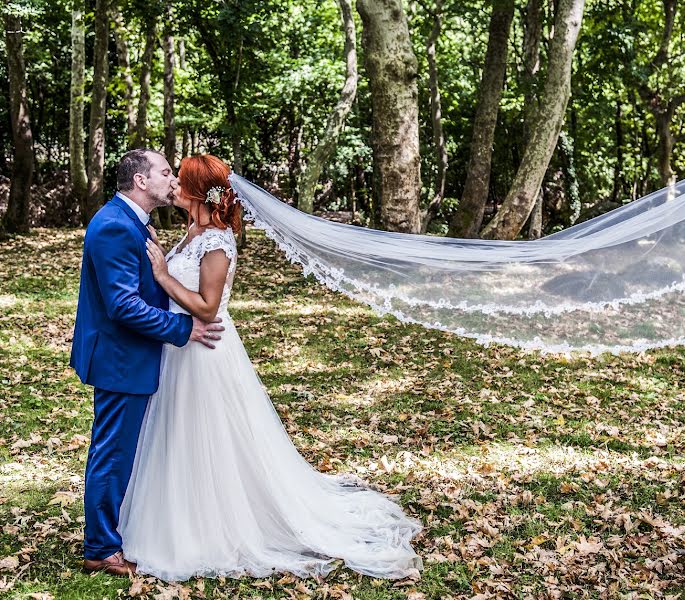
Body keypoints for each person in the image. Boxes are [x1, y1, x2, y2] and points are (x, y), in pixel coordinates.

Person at [118, 154, 422, 581]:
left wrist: (164, 276)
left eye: (177, 177)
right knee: (178, 438)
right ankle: (180, 515)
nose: (170, 184)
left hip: (206, 354)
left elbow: (207, 307)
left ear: (195, 190)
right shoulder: (192, 231)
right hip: (180, 349)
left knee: (209, 443)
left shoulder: (218, 241)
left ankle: (215, 527)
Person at [69, 149, 226, 576]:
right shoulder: (115, 227)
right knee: (113, 453)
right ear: (141, 181)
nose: (172, 179)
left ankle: (117, 533)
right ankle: (100, 548)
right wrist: (182, 330)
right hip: (122, 357)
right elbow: (123, 305)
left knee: (123, 451)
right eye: (164, 172)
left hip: (135, 354)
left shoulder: (136, 223)